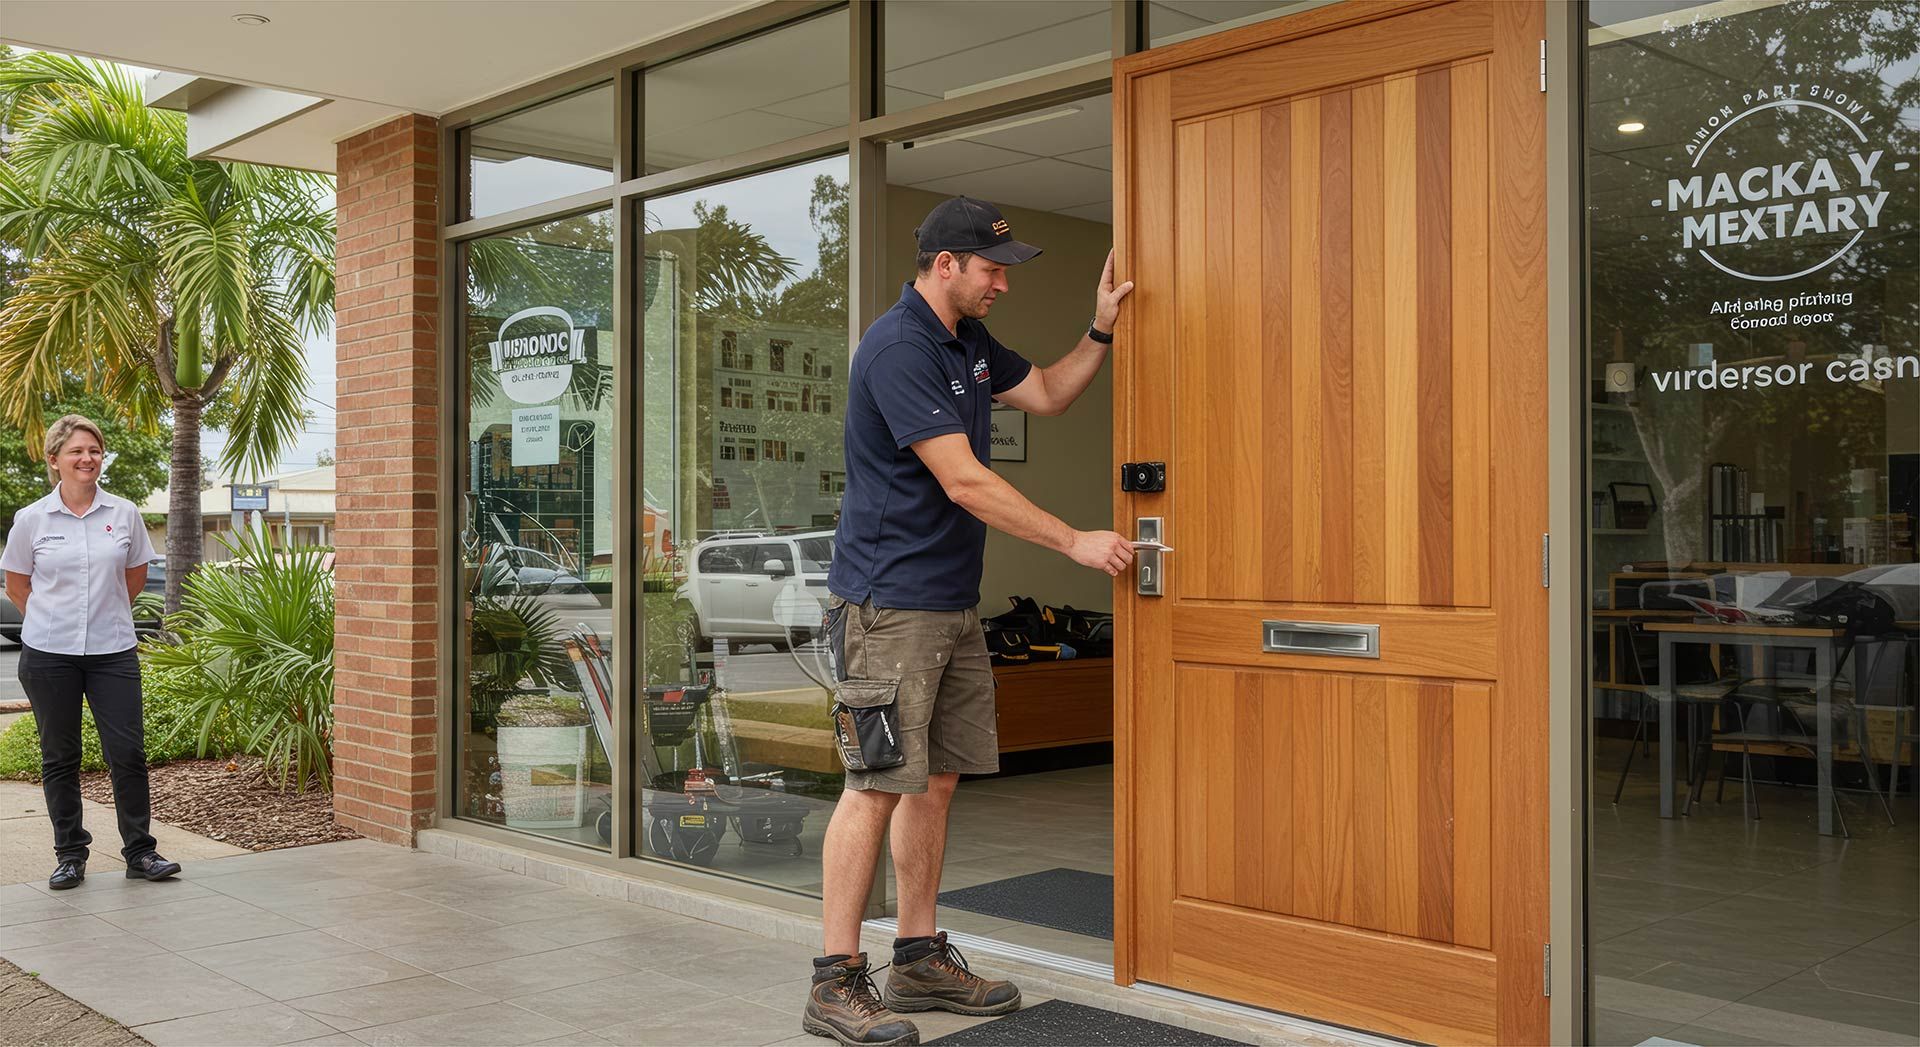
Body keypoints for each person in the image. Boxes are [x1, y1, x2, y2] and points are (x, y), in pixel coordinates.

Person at [804, 197, 1134, 1046]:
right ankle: (835, 981)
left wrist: (1099, 331)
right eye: (993, 269)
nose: (1003, 284)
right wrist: (1074, 541)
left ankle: (916, 954)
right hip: (888, 606)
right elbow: (964, 481)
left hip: (950, 604)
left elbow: (1053, 395)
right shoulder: (899, 348)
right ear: (944, 265)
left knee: (938, 778)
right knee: (875, 784)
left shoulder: (969, 344)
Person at [2, 415, 180, 889]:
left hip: (112, 651)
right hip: (48, 654)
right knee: (59, 755)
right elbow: (18, 584)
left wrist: (101, 614)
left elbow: (134, 576)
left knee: (128, 752)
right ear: (54, 459)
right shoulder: (32, 519)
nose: (87, 459)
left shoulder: (123, 514)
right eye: (77, 451)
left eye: (94, 451)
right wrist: (51, 619)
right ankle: (70, 854)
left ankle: (141, 852)